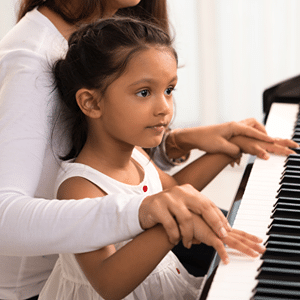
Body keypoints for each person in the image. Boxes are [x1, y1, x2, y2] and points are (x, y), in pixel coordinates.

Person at [0, 0, 297, 299]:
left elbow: (172, 189)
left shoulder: (135, 155)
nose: (165, 109)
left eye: (169, 90)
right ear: (89, 102)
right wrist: (170, 221)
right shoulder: (78, 186)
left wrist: (225, 148)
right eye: (145, 92)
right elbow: (109, 281)